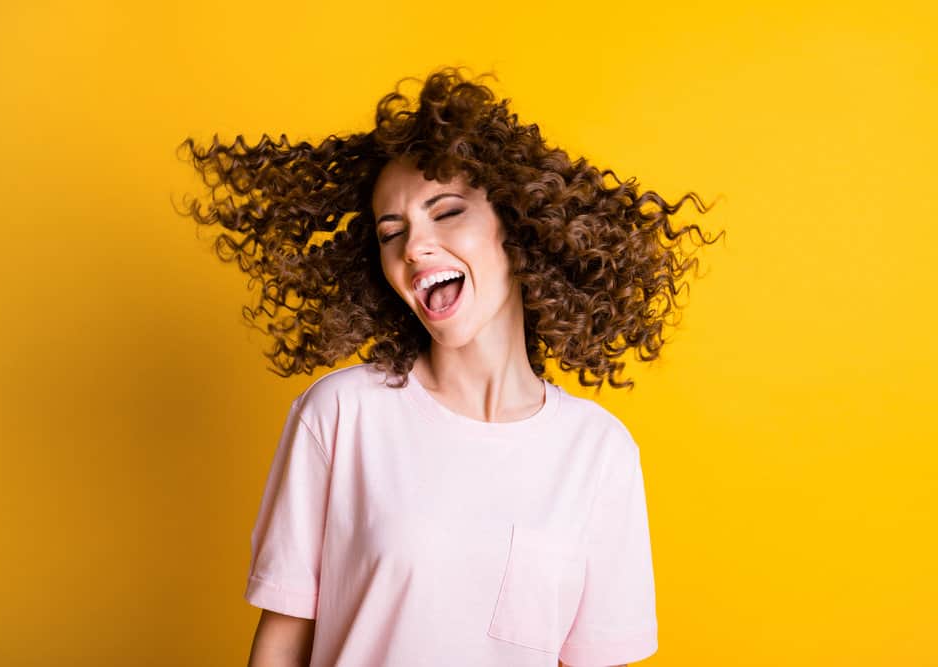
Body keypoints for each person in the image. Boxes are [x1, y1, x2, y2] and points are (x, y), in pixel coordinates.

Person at [177, 66, 723, 667]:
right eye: (393, 232)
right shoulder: (340, 415)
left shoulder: (598, 453)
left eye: (447, 211)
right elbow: (281, 646)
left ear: (518, 226)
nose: (414, 247)